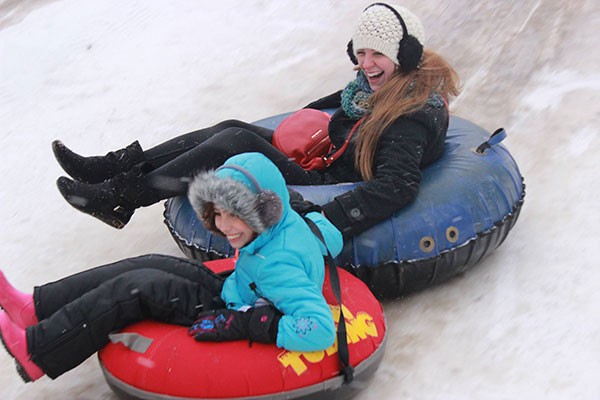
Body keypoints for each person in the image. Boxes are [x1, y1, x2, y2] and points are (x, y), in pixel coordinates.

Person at [53, 3, 459, 238]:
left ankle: (121, 198)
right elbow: (340, 107)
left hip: (329, 181)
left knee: (233, 141)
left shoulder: (409, 117)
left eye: (377, 55)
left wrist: (325, 219)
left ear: (404, 54)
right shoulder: (381, 87)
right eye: (361, 52)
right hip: (330, 154)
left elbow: (399, 185)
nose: (365, 64)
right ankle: (115, 168)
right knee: (232, 126)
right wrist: (301, 119)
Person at [0, 152, 342, 383]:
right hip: (234, 286)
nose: (224, 226)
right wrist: (316, 223)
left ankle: (38, 351)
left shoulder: (278, 267)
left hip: (230, 308)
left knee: (135, 289)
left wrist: (248, 324)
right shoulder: (288, 222)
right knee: (147, 262)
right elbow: (330, 235)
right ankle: (36, 307)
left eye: (235, 214)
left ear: (265, 209)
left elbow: (320, 329)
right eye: (217, 213)